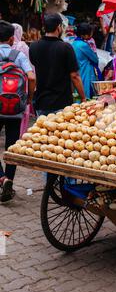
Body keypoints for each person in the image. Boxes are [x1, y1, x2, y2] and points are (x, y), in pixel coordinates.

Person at [0, 21, 35, 202]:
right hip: (15, 107)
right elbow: (31, 76)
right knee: (11, 147)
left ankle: (1, 178)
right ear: (12, 38)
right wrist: (28, 98)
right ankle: (10, 181)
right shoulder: (18, 55)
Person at [29, 13, 86, 116]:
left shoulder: (33, 46)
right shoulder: (66, 47)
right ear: (59, 27)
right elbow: (75, 76)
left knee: (42, 131)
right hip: (62, 103)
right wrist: (83, 98)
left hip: (41, 102)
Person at [12, 23, 33, 136]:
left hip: (2, 87)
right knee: (18, 114)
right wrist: (30, 96)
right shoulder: (22, 46)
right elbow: (30, 71)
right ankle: (20, 135)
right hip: (20, 87)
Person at [72, 23, 99, 99]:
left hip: (78, 70)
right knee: (87, 94)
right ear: (84, 35)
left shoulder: (73, 43)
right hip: (86, 72)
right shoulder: (84, 45)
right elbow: (95, 59)